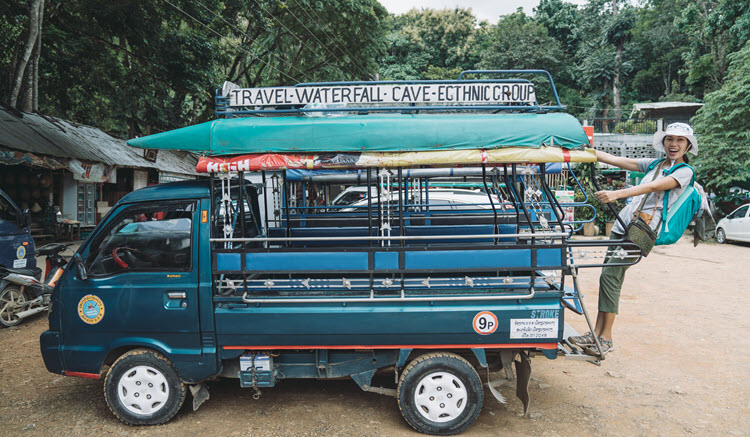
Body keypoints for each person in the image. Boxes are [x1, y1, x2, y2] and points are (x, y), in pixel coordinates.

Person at [570, 122, 698, 355]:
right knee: (607, 276)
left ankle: (606, 337)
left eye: (680, 140)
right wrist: (580, 150)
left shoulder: (684, 172)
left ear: (688, 146)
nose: (673, 144)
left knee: (611, 275)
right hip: (624, 226)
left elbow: (654, 187)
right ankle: (596, 334)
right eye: (670, 139)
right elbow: (616, 160)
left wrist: (617, 193)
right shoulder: (656, 164)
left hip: (640, 233)